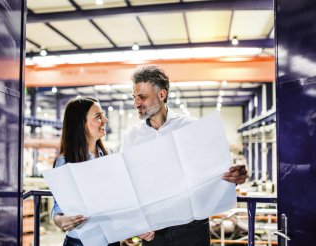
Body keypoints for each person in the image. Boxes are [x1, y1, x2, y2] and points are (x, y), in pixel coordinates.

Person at [121, 65, 248, 246]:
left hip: (192, 228)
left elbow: (216, 171)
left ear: (162, 95)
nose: (136, 103)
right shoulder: (131, 138)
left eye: (142, 97)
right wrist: (137, 224)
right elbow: (128, 185)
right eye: (134, 97)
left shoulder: (191, 128)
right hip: (154, 231)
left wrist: (236, 175)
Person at [51, 97, 119, 246]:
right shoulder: (64, 162)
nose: (105, 120)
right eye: (98, 116)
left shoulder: (111, 156)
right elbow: (58, 208)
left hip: (111, 240)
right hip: (79, 242)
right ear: (81, 124)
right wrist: (61, 221)